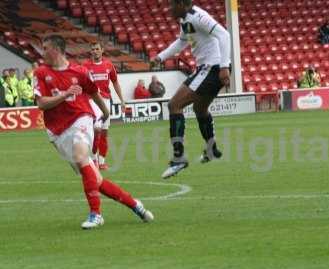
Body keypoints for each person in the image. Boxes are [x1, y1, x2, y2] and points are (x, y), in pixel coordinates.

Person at [33, 35, 153, 229]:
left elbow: (93, 92)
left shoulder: (79, 71)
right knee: (95, 179)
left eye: (45, 48)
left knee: (81, 156)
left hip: (81, 118)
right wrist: (65, 94)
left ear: (56, 49)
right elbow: (41, 104)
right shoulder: (40, 73)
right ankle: (135, 205)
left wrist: (105, 112)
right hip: (56, 130)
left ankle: (96, 215)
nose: (42, 52)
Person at [151, 0, 231, 179]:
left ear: (182, 4)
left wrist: (224, 66)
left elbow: (224, 35)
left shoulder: (198, 16)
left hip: (213, 67)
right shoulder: (185, 19)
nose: (170, 9)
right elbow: (181, 42)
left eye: (173, 5)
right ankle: (211, 149)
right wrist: (160, 57)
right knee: (199, 109)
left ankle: (179, 158)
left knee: (174, 105)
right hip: (209, 67)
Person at [83, 42, 126, 170]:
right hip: (92, 101)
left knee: (104, 132)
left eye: (97, 49)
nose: (95, 51)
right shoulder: (85, 66)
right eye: (93, 49)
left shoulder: (108, 65)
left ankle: (101, 161)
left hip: (106, 101)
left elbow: (115, 83)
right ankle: (94, 160)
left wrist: (122, 100)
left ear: (102, 50)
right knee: (96, 128)